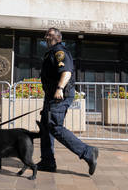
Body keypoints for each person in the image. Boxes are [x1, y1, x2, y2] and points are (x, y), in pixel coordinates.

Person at [37, 27, 98, 176]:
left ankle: (88, 152)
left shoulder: (60, 52)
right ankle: (48, 161)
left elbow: (66, 72)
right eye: (46, 35)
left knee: (54, 127)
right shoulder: (50, 52)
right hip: (51, 96)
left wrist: (59, 88)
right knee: (45, 125)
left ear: (58, 37)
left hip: (59, 94)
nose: (46, 37)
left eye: (50, 35)